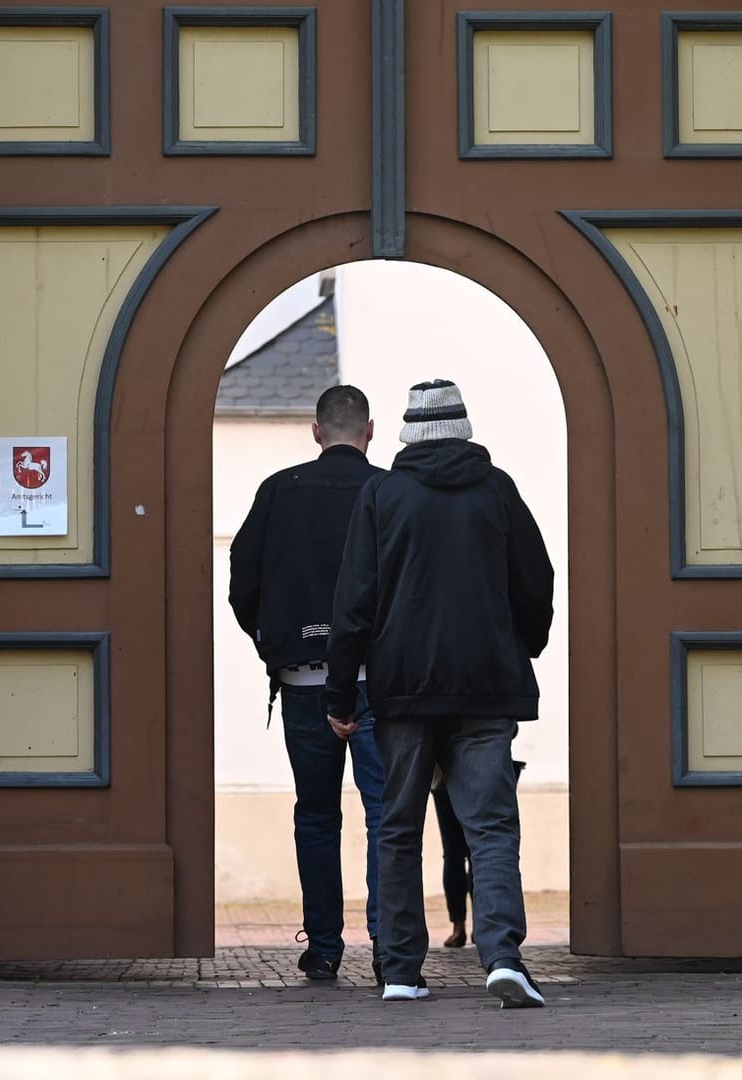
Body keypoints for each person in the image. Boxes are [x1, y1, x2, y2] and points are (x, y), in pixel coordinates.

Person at [324, 379, 555, 1009]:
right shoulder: (498, 490)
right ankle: (503, 956)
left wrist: (340, 696)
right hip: (486, 688)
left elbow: (354, 604)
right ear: (464, 429)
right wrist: (519, 646)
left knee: (397, 828)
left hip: (402, 692)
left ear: (405, 433)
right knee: (491, 827)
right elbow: (537, 583)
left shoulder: (382, 494)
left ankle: (401, 969)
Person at [228, 384, 388, 983]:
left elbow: (243, 580)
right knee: (385, 815)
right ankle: (388, 945)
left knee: (317, 816)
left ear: (316, 431)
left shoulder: (279, 491)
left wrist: (276, 642)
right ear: (368, 431)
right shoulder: (388, 490)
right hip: (381, 680)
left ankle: (324, 947)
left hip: (303, 681)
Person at [433, 757, 525, 949]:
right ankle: (476, 927)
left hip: (444, 775)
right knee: (481, 850)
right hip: (479, 773)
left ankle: (460, 927)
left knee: (455, 854)